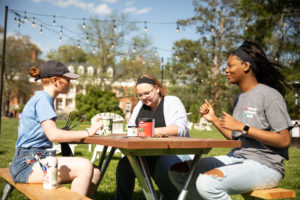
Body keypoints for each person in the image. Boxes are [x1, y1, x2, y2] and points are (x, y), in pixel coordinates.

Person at [168, 40, 293, 200]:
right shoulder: (239, 98)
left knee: (207, 183)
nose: (226, 70)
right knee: (178, 171)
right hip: (237, 157)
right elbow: (236, 139)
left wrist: (243, 127)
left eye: (230, 66)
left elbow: (284, 140)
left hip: (266, 166)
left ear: (246, 66)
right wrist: (213, 119)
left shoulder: (270, 95)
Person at [9, 60, 103, 198]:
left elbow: (46, 132)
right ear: (55, 80)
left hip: (37, 159)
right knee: (85, 166)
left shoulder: (43, 98)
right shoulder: (43, 100)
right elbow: (53, 135)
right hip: (28, 164)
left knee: (95, 172)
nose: (70, 83)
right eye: (67, 79)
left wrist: (63, 132)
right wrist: (88, 132)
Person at [115, 74, 191, 200]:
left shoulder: (172, 101)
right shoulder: (140, 106)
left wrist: (150, 131)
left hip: (174, 152)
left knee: (163, 168)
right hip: (147, 153)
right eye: (140, 95)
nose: (144, 97)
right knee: (124, 166)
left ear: (157, 88)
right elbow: (131, 127)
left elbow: (180, 129)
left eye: (147, 93)